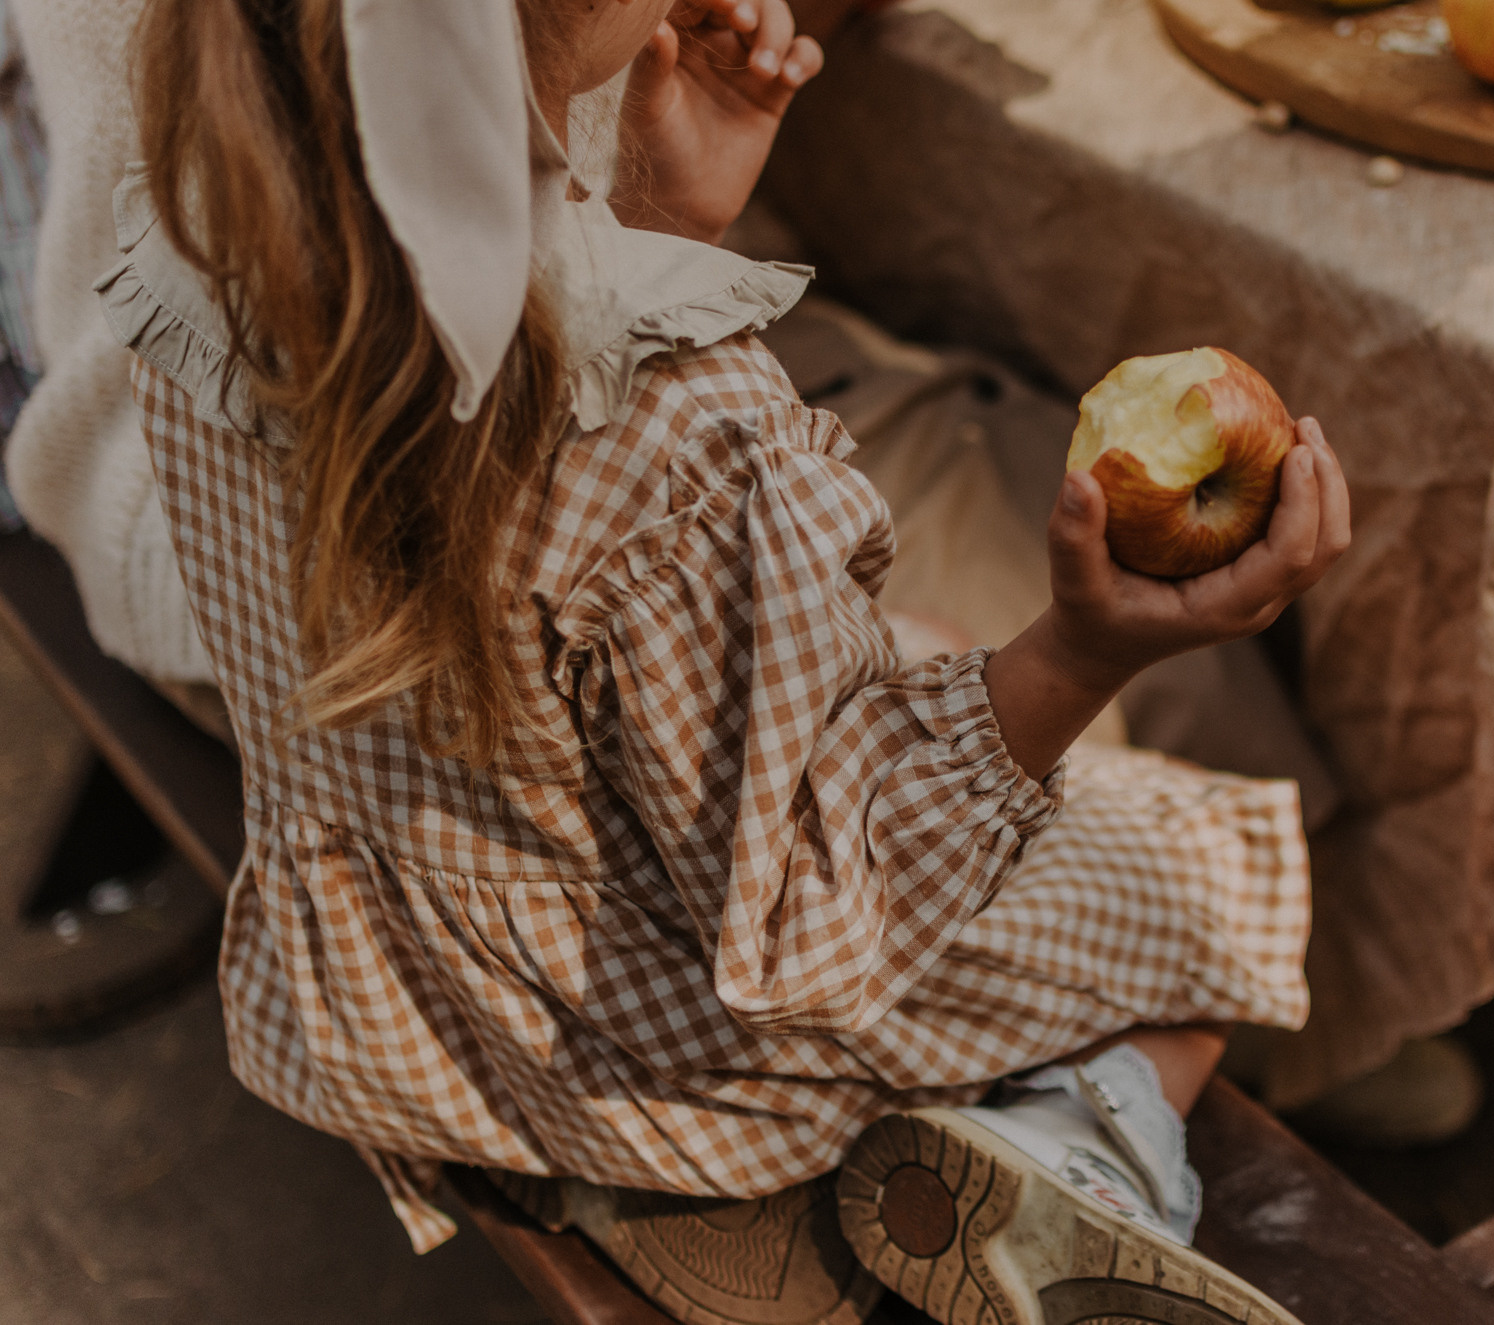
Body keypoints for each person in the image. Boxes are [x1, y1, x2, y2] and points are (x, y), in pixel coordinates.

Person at [107, 2, 1349, 1323]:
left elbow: (512, 592)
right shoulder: (685, 429)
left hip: (411, 991)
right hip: (636, 1050)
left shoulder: (200, 243)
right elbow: (819, 919)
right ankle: (1057, 1164)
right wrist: (1085, 646)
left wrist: (651, 228)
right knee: (1209, 871)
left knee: (916, 666)